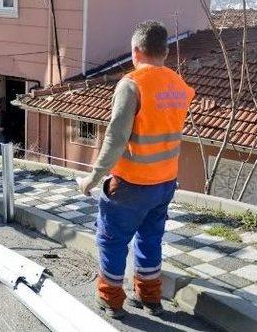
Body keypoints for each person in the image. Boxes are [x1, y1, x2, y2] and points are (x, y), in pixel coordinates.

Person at [77, 21, 194, 319]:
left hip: (131, 183)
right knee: (150, 238)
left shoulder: (132, 84)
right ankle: (150, 296)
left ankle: (112, 298)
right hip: (165, 182)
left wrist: (92, 178)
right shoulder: (179, 86)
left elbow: (116, 137)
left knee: (111, 239)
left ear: (136, 51)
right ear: (165, 53)